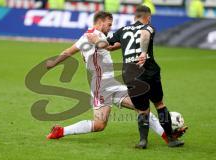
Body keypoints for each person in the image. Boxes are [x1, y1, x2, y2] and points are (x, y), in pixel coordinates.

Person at [45, 11, 170, 144]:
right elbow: (107, 45)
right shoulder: (94, 36)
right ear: (100, 22)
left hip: (110, 82)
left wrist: (53, 63)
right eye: (109, 25)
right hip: (101, 84)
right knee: (100, 124)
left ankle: (167, 135)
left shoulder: (89, 36)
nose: (110, 28)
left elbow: (69, 52)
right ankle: (61, 131)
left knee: (140, 106)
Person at [87, 6, 185, 149]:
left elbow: (107, 46)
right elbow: (144, 35)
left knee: (142, 109)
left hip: (130, 73)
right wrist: (143, 52)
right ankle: (170, 139)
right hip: (149, 70)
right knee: (159, 104)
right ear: (148, 17)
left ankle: (142, 141)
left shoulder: (123, 30)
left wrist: (95, 40)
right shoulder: (148, 27)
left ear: (134, 17)